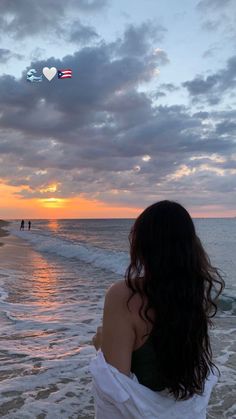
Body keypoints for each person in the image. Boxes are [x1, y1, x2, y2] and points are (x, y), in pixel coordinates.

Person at [90, 200, 224, 419]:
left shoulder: (124, 295)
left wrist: (100, 347)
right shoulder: (193, 296)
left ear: (142, 245)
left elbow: (115, 390)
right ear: (190, 246)